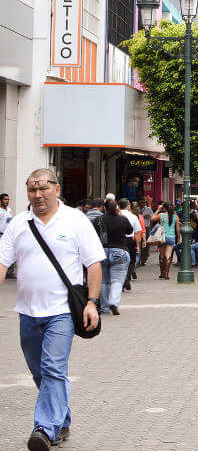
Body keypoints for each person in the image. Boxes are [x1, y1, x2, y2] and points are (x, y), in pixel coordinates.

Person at [0, 168, 104, 450]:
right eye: (32, 190)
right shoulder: (18, 224)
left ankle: (44, 428)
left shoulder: (75, 221)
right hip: (28, 312)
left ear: (57, 189)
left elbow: (94, 263)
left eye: (43, 188)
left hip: (61, 313)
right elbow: (2, 262)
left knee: (53, 368)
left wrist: (92, 303)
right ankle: (62, 419)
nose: (37, 195)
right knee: (39, 372)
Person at [96, 198, 132, 314]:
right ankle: (114, 302)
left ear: (104, 208)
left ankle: (105, 307)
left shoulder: (98, 219)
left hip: (102, 251)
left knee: (103, 281)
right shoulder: (122, 219)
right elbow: (129, 231)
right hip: (120, 251)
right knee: (117, 280)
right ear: (117, 208)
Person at [151, 202, 177, 280]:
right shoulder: (175, 216)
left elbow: (152, 218)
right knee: (168, 255)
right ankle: (166, 274)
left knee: (162, 255)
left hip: (162, 237)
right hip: (171, 237)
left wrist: (158, 210)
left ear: (164, 208)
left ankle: (162, 273)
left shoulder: (161, 215)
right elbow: (178, 228)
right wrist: (178, 238)